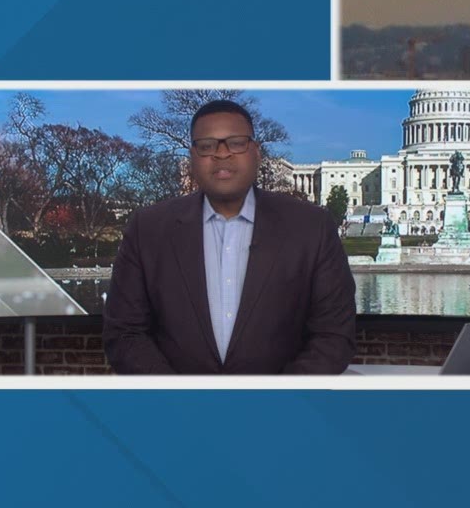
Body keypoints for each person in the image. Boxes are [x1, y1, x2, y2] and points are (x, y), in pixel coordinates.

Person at [103, 99, 356, 374]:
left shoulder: (311, 227)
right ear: (192, 157)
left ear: (256, 152)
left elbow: (333, 336)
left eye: (236, 143)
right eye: (207, 145)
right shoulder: (148, 229)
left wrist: (279, 402)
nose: (222, 154)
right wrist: (178, 399)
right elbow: (125, 333)